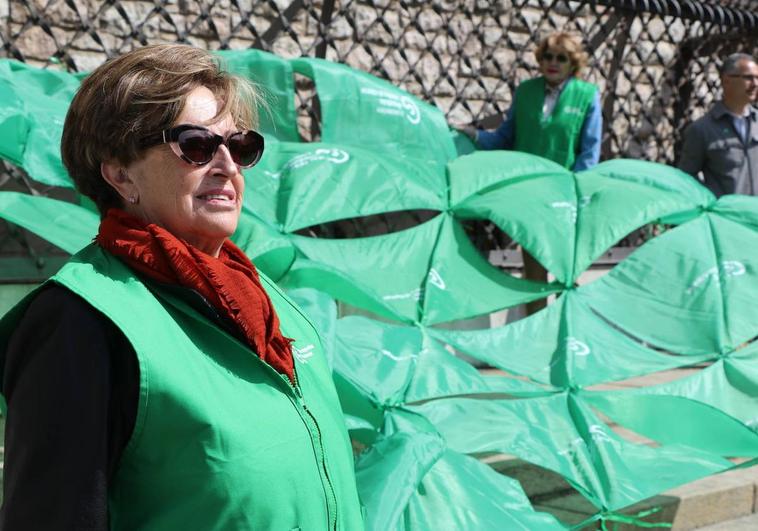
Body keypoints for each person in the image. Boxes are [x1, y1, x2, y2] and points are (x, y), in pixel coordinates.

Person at [0, 44, 364, 530]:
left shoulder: (269, 304)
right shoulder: (82, 322)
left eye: (240, 146)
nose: (228, 166)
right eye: (196, 145)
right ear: (120, 173)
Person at [461, 31, 603, 172]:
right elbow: (503, 139)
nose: (553, 63)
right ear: (541, 61)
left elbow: (589, 154)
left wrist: (576, 186)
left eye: (561, 58)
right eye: (548, 57)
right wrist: (473, 134)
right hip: (524, 180)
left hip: (562, 186)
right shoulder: (525, 91)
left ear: (572, 64)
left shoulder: (587, 96)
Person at [678, 53, 758, 197]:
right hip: (726, 217)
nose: (755, 84)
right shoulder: (702, 130)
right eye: (748, 78)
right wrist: (711, 203)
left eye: (757, 78)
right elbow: (686, 179)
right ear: (726, 81)